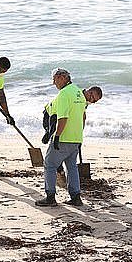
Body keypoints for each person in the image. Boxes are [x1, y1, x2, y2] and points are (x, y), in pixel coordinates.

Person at [36, 68, 87, 207]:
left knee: (49, 165)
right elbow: (83, 117)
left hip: (63, 137)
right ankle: (76, 197)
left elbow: (62, 118)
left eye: (54, 79)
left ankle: (50, 197)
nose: (54, 83)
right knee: (71, 167)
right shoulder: (79, 93)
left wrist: (57, 136)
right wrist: (79, 135)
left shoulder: (64, 94)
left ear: (62, 77)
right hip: (76, 138)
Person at [42, 85, 103, 188]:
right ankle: (74, 195)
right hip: (52, 117)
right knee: (68, 165)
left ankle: (53, 194)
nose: (92, 102)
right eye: (93, 99)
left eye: (95, 102)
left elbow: (82, 118)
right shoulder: (75, 95)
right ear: (89, 92)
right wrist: (56, 135)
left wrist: (79, 135)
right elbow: (62, 116)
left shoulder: (83, 101)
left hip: (68, 135)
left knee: (55, 163)